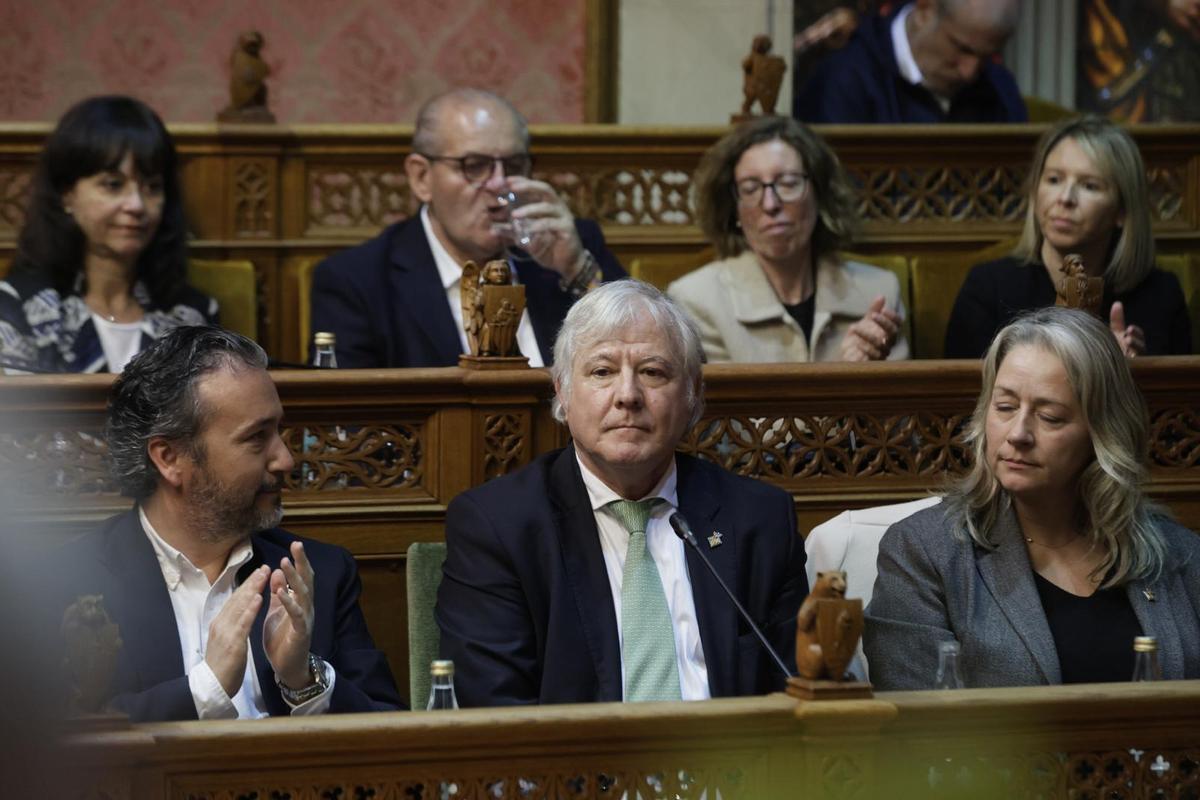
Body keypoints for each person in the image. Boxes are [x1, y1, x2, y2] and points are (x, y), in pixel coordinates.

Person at [436, 280, 808, 706]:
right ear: (562, 392)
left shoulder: (760, 519)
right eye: (602, 372)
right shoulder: (499, 527)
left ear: (693, 395)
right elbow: (494, 712)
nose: (628, 396)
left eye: (653, 372)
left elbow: (796, 691)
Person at [49, 326, 401, 721]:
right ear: (169, 458)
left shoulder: (320, 572)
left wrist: (304, 680)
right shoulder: (63, 583)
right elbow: (51, 743)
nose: (285, 459)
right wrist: (204, 689)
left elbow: (391, 733)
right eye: (256, 438)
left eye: (278, 432)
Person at [865, 307, 1200, 689]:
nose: (1018, 433)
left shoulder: (1180, 556)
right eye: (1005, 407)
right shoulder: (923, 553)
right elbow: (918, 728)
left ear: (1102, 432)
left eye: (1051, 417)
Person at [310, 88, 626, 368]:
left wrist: (575, 268)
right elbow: (349, 424)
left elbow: (646, 353)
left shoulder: (571, 247)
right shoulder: (357, 281)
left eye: (514, 166)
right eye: (474, 166)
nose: (500, 184)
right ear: (421, 178)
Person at [0, 96, 217, 374]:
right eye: (113, 185)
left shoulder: (192, 313)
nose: (137, 205)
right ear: (67, 194)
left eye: (152, 187)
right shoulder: (17, 306)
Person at [945, 116, 1191, 358]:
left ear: (1122, 210)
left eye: (1089, 186)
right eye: (1054, 179)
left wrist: (1130, 375)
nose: (1065, 198)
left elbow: (1181, 396)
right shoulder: (987, 287)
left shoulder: (1162, 294)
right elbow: (959, 394)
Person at [668, 116, 908, 363]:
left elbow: (902, 400)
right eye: (751, 189)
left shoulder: (878, 291)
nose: (770, 204)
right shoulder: (696, 301)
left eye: (788, 183)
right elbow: (718, 402)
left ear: (820, 196)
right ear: (734, 209)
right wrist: (843, 373)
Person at [794, 0, 1026, 124]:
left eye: (986, 56)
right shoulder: (843, 80)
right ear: (925, 9)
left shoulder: (1000, 88)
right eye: (962, 48)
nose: (970, 72)